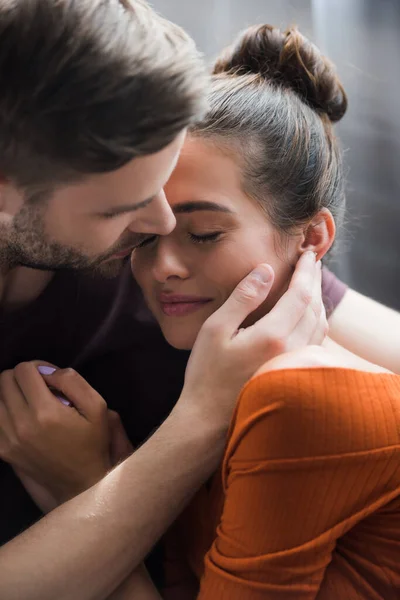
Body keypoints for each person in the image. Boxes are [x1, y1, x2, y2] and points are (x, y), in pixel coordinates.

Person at [0, 1, 398, 597]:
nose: (157, 227)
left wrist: (94, 479)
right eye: (121, 204)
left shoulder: (243, 300)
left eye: (200, 230)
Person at [130, 24, 400, 599]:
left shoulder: (300, 395)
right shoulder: (216, 382)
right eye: (144, 237)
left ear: (311, 238)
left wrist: (77, 483)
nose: (163, 267)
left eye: (203, 233)